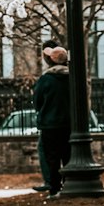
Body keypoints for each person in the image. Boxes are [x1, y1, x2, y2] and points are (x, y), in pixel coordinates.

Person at [33, 46, 71, 198]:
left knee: (51, 157)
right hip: (68, 123)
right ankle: (69, 184)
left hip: (50, 124)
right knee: (67, 155)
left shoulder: (46, 79)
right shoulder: (72, 78)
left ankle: (54, 187)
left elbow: (37, 102)